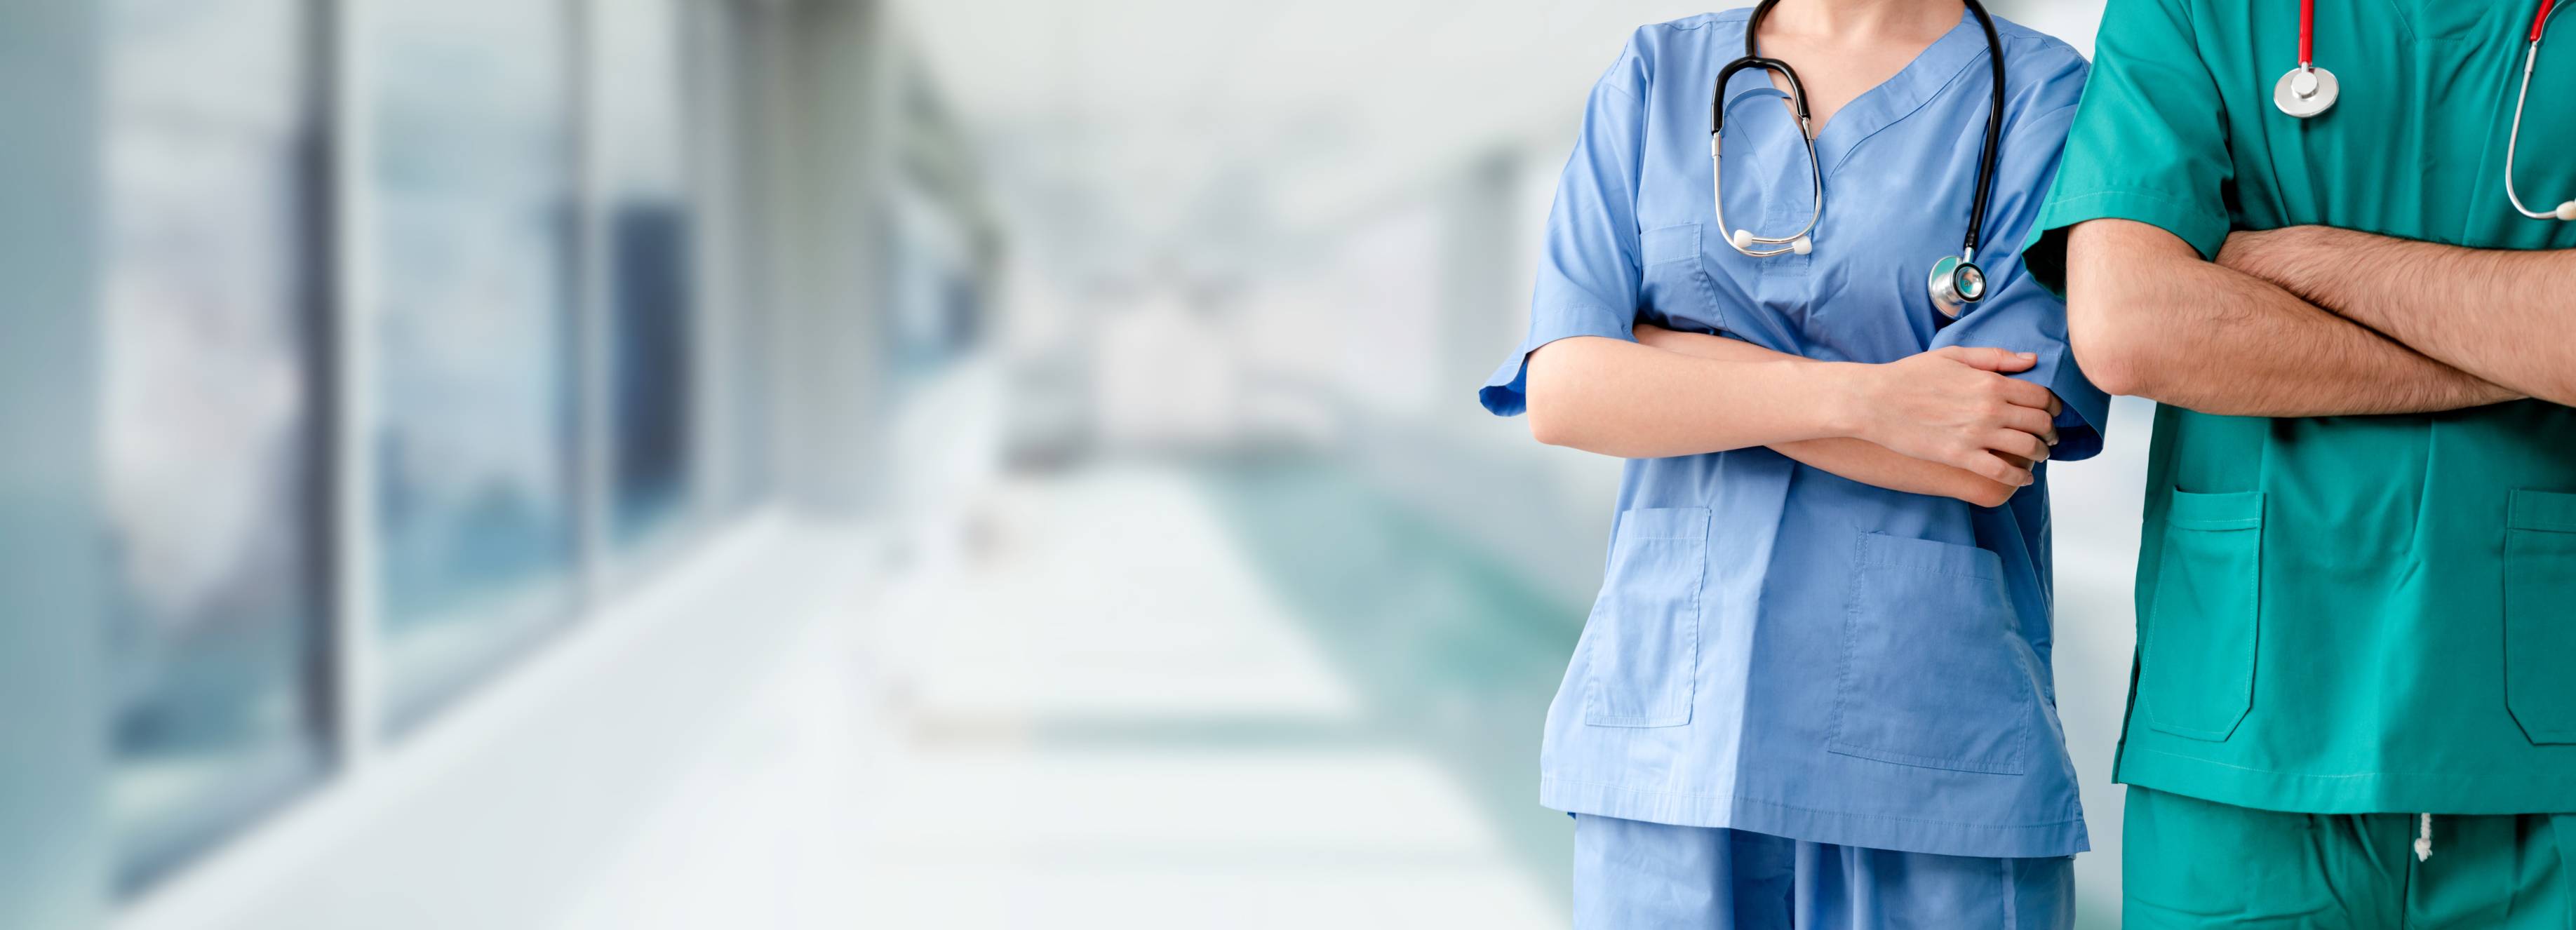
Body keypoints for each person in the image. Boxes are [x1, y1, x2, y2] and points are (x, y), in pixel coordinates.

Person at [1477, 1, 2105, 925]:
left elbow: (1990, 443)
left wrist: (1668, 363)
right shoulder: (1660, 73)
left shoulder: (2042, 95)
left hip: (1930, 739)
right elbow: (1569, 391)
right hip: (1669, 744)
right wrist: (1876, 400)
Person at [2023, 0, 2576, 924]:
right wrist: (2518, 342)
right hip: (2250, 731)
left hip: (2546, 743)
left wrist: (2324, 262)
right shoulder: (2190, 10)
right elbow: (2130, 326)